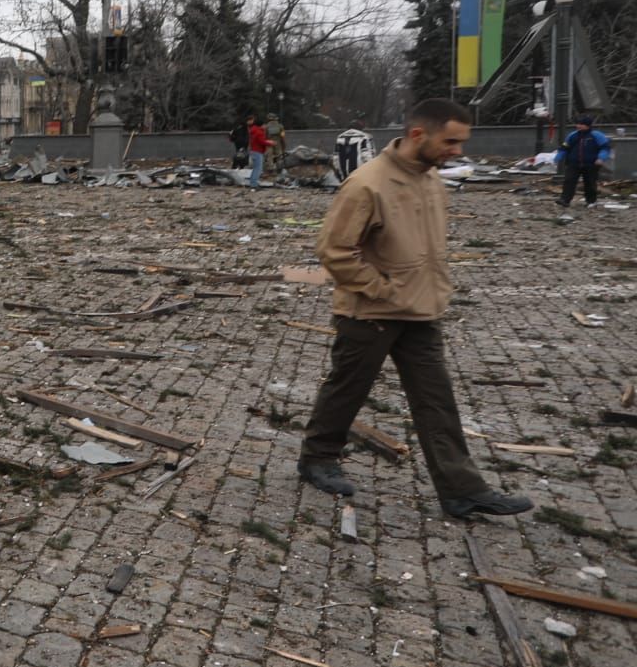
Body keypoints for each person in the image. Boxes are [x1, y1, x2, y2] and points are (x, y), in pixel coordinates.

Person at [297, 98, 532, 518]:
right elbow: (334, 250)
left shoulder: (431, 180)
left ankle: (461, 490)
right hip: (370, 314)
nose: (457, 151)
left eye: (461, 142)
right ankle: (317, 458)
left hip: (422, 312)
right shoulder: (367, 184)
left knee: (437, 401)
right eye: (451, 141)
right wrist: (382, 289)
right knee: (347, 390)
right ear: (419, 134)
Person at [556, 115, 613, 208]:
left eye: (581, 124)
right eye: (578, 124)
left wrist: (601, 158)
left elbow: (605, 148)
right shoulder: (572, 135)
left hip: (591, 164)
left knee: (590, 183)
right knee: (569, 180)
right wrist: (558, 157)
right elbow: (564, 147)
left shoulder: (597, 135)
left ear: (588, 125)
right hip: (574, 163)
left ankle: (591, 201)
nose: (578, 126)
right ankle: (565, 200)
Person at [247, 116, 269, 188]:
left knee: (255, 168)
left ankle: (253, 183)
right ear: (261, 125)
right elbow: (262, 141)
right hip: (258, 152)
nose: (266, 126)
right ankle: (254, 184)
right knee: (258, 169)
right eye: (265, 125)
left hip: (253, 151)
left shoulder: (253, 130)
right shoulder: (259, 132)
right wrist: (270, 143)